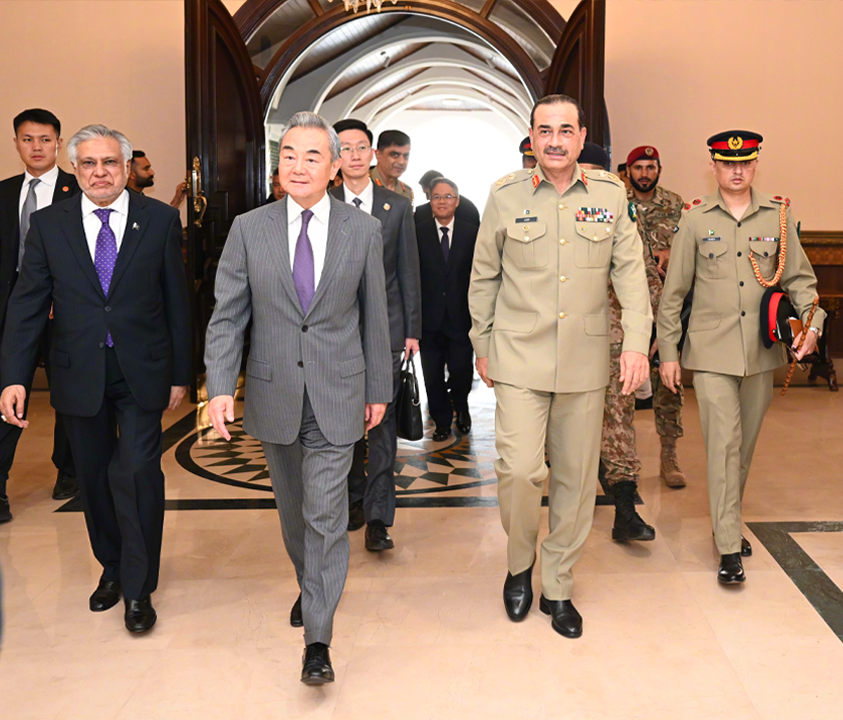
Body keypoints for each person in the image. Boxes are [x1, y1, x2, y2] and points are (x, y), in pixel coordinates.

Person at [204, 111, 392, 684]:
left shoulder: (363, 231)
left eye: (313, 156)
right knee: (293, 516)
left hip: (339, 391)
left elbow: (375, 318)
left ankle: (318, 639)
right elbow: (227, 317)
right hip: (274, 392)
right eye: (289, 154)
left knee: (327, 515)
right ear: (277, 163)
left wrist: (378, 388)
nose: (299, 165)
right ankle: (309, 582)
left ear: (335, 167)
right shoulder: (248, 228)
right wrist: (218, 386)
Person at [469, 95, 651, 638]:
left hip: (585, 360)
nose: (554, 140)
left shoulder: (611, 195)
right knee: (520, 471)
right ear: (531, 136)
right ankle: (519, 563)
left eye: (565, 130)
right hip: (519, 358)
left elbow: (632, 275)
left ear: (580, 136)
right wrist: (483, 344)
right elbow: (484, 277)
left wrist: (637, 344)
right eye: (544, 130)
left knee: (574, 480)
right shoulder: (505, 195)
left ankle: (560, 584)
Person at [0, 123, 191, 633]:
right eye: (89, 163)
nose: (100, 172)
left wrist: (181, 373)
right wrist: (13, 376)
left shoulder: (159, 220)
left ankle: (138, 587)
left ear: (127, 168)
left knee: (135, 473)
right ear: (75, 167)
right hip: (77, 372)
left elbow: (178, 302)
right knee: (94, 479)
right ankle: (110, 566)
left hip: (142, 371)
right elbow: (27, 305)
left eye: (110, 163)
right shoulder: (48, 224)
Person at [658, 130, 825, 585]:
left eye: (746, 163)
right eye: (728, 163)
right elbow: (673, 295)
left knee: (744, 448)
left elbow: (800, 281)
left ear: (755, 165)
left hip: (760, 353)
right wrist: (668, 354)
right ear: (713, 165)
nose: (737, 170)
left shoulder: (779, 216)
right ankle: (728, 545)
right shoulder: (694, 219)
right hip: (710, 352)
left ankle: (725, 519)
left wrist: (813, 324)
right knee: (723, 445)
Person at [330, 118, 421, 550]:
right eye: (343, 148)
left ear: (371, 155)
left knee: (382, 427)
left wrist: (412, 330)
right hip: (335, 334)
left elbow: (408, 271)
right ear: (335, 157)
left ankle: (379, 518)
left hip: (386, 331)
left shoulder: (396, 206)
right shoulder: (321, 202)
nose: (353, 154)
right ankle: (352, 499)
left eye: (360, 147)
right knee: (344, 423)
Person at [0, 108, 79, 523]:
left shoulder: (76, 191)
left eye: (45, 140)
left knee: (68, 391)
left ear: (58, 143)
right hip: (13, 308)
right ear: (16, 143)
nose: (36, 147)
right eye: (28, 139)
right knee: (8, 389)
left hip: (63, 308)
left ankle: (68, 472)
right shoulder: (3, 192)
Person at [578, 142, 659, 543]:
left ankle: (625, 510)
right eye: (585, 170)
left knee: (620, 427)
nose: (592, 179)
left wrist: (646, 338)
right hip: (567, 345)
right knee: (572, 431)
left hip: (617, 344)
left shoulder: (622, 217)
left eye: (600, 171)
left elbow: (647, 280)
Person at [626, 145, 687, 487]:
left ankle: (669, 455)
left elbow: (691, 247)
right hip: (626, 311)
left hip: (665, 312)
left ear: (659, 170)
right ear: (629, 171)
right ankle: (617, 463)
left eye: (651, 167)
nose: (645, 173)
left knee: (669, 385)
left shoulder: (675, 204)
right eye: (639, 168)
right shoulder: (616, 201)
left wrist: (672, 249)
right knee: (618, 390)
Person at [417, 178, 477, 441]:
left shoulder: (471, 232)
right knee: (432, 376)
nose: (442, 201)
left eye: (448, 196)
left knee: (462, 371)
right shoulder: (416, 232)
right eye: (437, 197)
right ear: (430, 201)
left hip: (461, 317)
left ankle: (461, 407)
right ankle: (441, 421)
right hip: (427, 319)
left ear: (457, 201)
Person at [415, 172, 481, 229]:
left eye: (427, 194)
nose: (427, 198)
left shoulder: (468, 210)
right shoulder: (421, 212)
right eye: (436, 197)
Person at [371, 130, 414, 203]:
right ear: (378, 155)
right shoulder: (363, 183)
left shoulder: (406, 192)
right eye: (395, 155)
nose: (401, 162)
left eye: (406, 156)